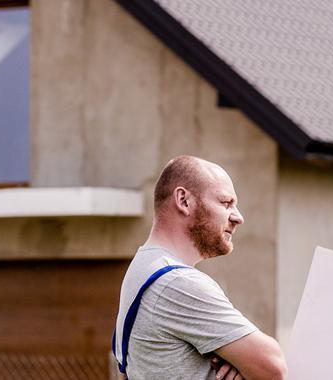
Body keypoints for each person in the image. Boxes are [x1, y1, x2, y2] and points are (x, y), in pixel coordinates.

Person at [113, 155, 286, 380]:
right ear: (184, 200)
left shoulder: (140, 272)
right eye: (226, 203)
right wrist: (245, 366)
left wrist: (238, 361)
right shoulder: (177, 282)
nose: (238, 217)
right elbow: (275, 367)